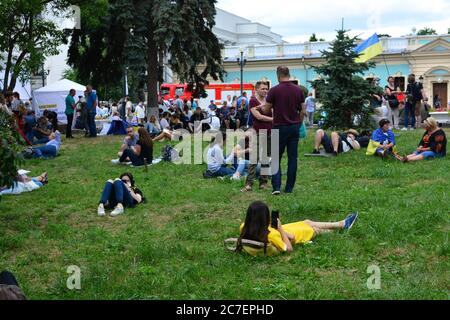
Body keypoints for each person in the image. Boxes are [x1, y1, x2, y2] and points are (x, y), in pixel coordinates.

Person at [235, 201, 358, 256]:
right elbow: (289, 248)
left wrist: (278, 229)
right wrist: (280, 228)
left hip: (280, 231)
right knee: (314, 229)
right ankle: (342, 225)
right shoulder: (271, 235)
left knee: (307, 221)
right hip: (292, 234)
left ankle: (341, 224)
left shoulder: (244, 227)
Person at [257, 66, 305, 195]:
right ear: (289, 74)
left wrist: (264, 108)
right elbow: (303, 110)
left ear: (278, 75)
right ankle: (289, 188)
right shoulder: (298, 90)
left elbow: (266, 110)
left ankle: (276, 187)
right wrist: (298, 123)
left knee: (275, 157)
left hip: (278, 127)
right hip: (294, 127)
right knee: (292, 158)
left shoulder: (274, 91)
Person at [242, 80, 272, 192]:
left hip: (269, 132)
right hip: (258, 133)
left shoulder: (269, 100)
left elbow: (273, 111)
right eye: (263, 88)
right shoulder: (253, 101)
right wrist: (274, 119)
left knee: (266, 158)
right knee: (254, 158)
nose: (265, 90)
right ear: (257, 89)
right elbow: (258, 117)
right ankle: (248, 184)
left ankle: (263, 183)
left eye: (266, 88)